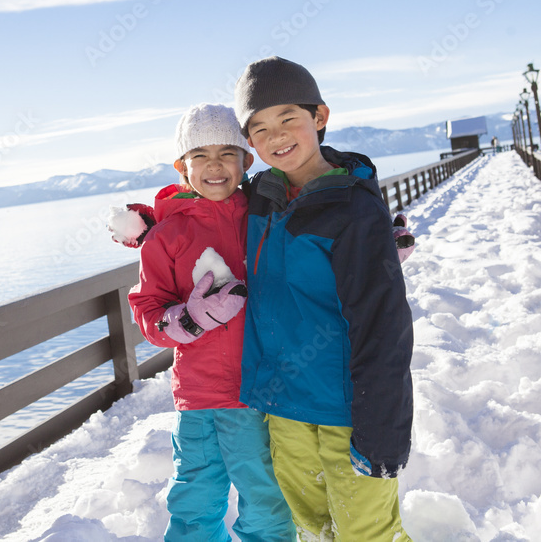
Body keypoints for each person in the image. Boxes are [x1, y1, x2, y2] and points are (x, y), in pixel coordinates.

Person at [233, 56, 415, 541]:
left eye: (288, 118)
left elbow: (383, 325)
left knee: (367, 534)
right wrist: (149, 222)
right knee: (313, 530)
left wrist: (382, 430)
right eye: (259, 128)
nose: (276, 136)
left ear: (319, 117)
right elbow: (201, 200)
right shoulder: (260, 199)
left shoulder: (353, 208)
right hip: (285, 408)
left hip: (346, 413)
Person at [117, 103, 296, 542]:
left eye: (226, 153)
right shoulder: (166, 236)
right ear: (182, 166)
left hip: (256, 390)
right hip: (198, 395)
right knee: (196, 498)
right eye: (200, 156)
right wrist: (190, 320)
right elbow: (148, 310)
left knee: (265, 498)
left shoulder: (265, 215)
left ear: (246, 161)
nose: (214, 166)